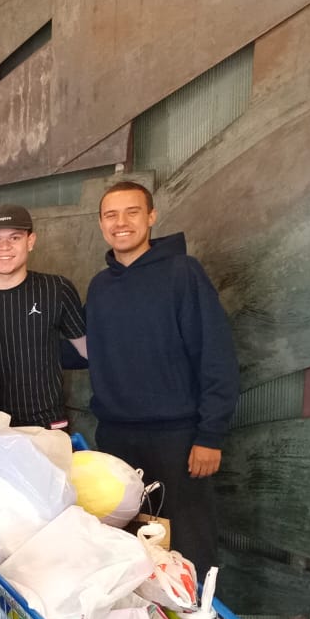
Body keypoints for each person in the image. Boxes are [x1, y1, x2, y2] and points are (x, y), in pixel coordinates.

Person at [85, 181, 239, 572]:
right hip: (116, 438)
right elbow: (93, 350)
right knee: (126, 547)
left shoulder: (183, 273)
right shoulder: (101, 286)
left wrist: (209, 435)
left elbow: (215, 355)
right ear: (101, 223)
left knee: (188, 546)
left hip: (178, 441)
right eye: (111, 215)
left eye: (132, 212)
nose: (121, 223)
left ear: (151, 217)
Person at [0, 204, 87, 429]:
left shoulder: (57, 289)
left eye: (15, 237)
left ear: (30, 241)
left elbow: (87, 350)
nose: (4, 246)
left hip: (47, 425)